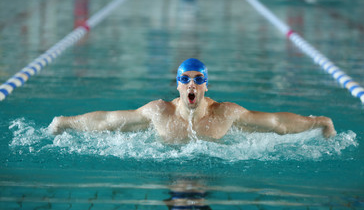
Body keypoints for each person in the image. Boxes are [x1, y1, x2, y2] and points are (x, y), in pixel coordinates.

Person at [49, 58, 336, 143]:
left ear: (206, 87)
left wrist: (319, 122)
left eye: (198, 80)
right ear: (177, 85)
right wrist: (65, 122)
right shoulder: (158, 112)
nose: (192, 84)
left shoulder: (226, 113)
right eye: (186, 79)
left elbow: (276, 123)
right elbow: (108, 121)